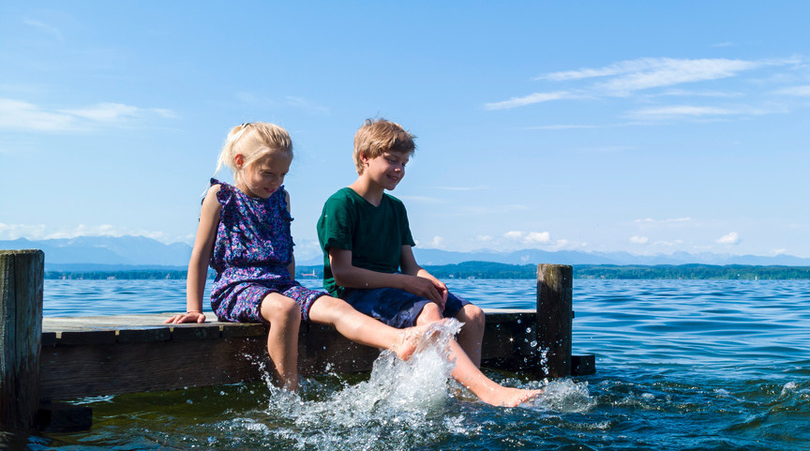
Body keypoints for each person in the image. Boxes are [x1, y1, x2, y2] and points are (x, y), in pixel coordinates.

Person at [166, 121, 539, 407]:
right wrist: (194, 309)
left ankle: (409, 349)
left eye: (282, 175)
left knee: (335, 307)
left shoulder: (284, 197)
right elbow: (200, 254)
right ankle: (288, 400)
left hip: (280, 283)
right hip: (239, 286)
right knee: (286, 308)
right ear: (240, 162)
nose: (276, 182)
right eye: (268, 173)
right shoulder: (221, 195)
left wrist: (426, 280)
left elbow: (287, 249)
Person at [317, 118, 488, 368]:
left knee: (473, 315)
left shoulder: (396, 208)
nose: (399, 169)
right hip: (353, 295)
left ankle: (465, 395)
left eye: (404, 163)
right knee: (429, 311)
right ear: (365, 157)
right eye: (391, 160)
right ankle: (476, 388)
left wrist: (428, 280)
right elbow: (342, 274)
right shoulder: (342, 203)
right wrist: (405, 282)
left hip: (393, 288)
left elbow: (410, 266)